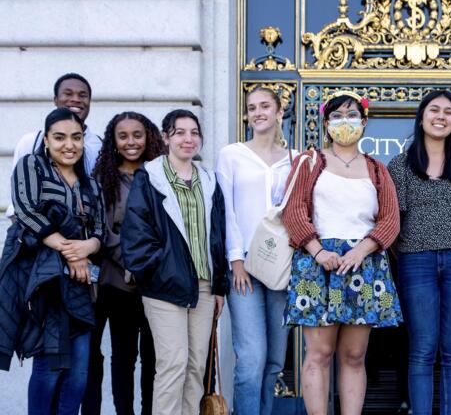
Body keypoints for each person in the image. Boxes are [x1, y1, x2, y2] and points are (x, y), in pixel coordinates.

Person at [282, 91, 402, 415]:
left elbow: (390, 219)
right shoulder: (309, 162)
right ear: (326, 123)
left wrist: (361, 250)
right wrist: (317, 250)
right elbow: (293, 212)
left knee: (353, 355)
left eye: (351, 115)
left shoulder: (377, 169)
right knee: (319, 353)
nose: (344, 122)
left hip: (362, 265)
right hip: (317, 263)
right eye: (337, 116)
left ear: (364, 122)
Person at [121, 109, 229, 415]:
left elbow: (218, 235)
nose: (188, 139)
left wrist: (220, 286)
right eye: (180, 132)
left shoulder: (208, 179)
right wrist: (159, 270)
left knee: (196, 365)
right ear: (166, 137)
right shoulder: (150, 178)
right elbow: (136, 235)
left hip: (204, 287)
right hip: (164, 286)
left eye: (194, 132)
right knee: (173, 364)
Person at [0, 107, 105, 414]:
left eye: (76, 137)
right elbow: (26, 211)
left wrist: (86, 248)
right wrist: (70, 252)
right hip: (44, 282)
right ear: (46, 140)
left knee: (78, 375)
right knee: (49, 368)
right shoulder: (32, 166)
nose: (68, 145)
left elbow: (98, 231)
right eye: (59, 138)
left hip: (80, 286)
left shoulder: (91, 185)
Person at [387, 90, 451, 415]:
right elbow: (392, 222)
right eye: (434, 110)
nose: (441, 116)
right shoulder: (400, 165)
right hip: (416, 263)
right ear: (422, 116)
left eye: (448, 112)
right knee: (422, 349)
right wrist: (413, 252)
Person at [216, 87, 295, 415]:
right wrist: (235, 259)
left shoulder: (296, 159)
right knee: (251, 358)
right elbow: (226, 211)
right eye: (252, 107)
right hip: (244, 268)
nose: (258, 112)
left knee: (275, 360)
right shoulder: (232, 155)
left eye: (265, 106)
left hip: (282, 269)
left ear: (279, 112)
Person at [81, 112, 165, 415]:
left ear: (149, 137)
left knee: (154, 359)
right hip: (116, 283)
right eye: (123, 136)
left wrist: (148, 263)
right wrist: (131, 260)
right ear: (114, 142)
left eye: (138, 135)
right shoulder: (104, 180)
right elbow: (103, 231)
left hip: (156, 282)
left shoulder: (160, 175)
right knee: (123, 356)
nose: (131, 142)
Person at [6, 73, 102, 219]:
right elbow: (18, 201)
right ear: (55, 100)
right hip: (37, 234)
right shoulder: (30, 142)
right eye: (68, 93)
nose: (76, 99)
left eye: (82, 95)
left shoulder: (100, 145)